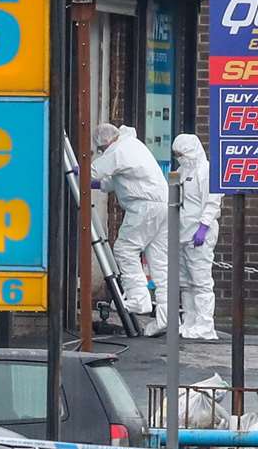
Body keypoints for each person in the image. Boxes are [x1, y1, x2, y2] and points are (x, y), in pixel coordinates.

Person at [91, 123, 169, 337]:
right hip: (163, 206)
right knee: (160, 263)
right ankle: (166, 316)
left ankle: (138, 299)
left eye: (100, 149)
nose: (102, 152)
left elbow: (95, 171)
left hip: (144, 206)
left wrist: (72, 170)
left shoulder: (119, 149)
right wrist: (96, 185)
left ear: (106, 142)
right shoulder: (133, 145)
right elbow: (113, 182)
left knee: (125, 249)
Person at [171, 134, 224, 342]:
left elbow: (212, 202)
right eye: (177, 155)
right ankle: (190, 321)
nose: (179, 158)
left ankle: (204, 325)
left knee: (201, 281)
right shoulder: (184, 171)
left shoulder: (206, 170)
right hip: (183, 233)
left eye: (181, 154)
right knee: (185, 281)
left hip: (200, 233)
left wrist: (203, 226)